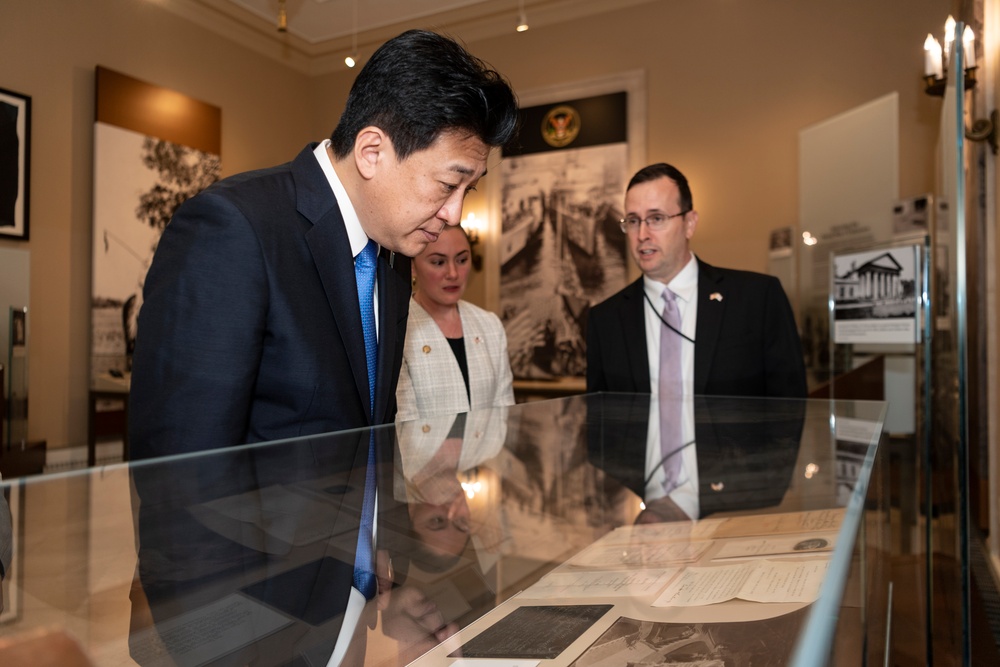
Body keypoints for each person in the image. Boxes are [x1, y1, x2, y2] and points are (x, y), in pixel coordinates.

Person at [129, 30, 519, 459]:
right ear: (372, 152)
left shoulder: (391, 252)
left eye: (469, 190)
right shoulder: (231, 229)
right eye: (447, 185)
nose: (455, 214)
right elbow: (181, 469)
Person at [586, 162, 807, 399]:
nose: (642, 235)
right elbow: (601, 423)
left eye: (656, 218)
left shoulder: (757, 299)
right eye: (632, 221)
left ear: (689, 224)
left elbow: (790, 405)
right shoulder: (605, 320)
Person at [395, 225, 514, 421]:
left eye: (462, 260)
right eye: (439, 262)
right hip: (423, 451)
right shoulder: (399, 328)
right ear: (413, 267)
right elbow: (404, 425)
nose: (453, 273)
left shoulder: (490, 325)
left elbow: (504, 417)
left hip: (486, 452)